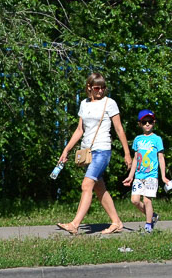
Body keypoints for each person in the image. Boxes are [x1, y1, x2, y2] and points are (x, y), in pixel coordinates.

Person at [55, 72, 132, 235]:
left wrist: (127, 153)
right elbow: (79, 129)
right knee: (99, 188)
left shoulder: (109, 103)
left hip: (102, 150)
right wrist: (66, 149)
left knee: (86, 185)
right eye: (97, 87)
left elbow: (119, 129)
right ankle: (117, 222)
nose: (101, 91)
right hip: (88, 152)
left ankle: (74, 224)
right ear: (89, 87)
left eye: (103, 87)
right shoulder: (84, 104)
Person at [123, 109, 167, 233]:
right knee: (135, 200)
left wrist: (163, 176)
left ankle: (148, 226)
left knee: (147, 200)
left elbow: (161, 158)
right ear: (140, 124)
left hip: (151, 175)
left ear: (154, 123)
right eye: (144, 122)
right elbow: (136, 159)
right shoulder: (137, 139)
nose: (147, 124)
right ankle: (152, 216)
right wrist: (130, 176)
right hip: (138, 175)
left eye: (150, 122)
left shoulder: (157, 139)